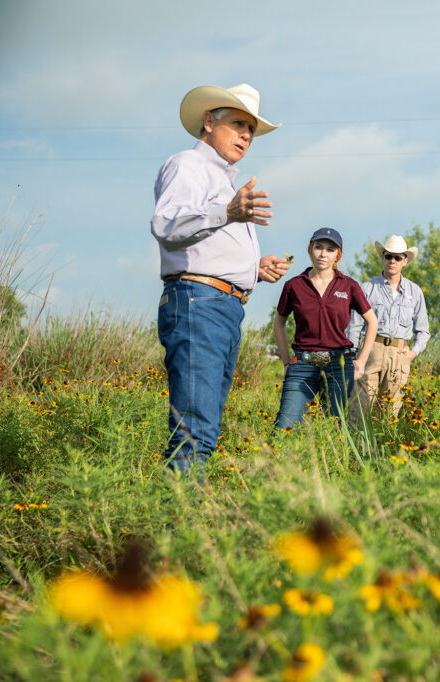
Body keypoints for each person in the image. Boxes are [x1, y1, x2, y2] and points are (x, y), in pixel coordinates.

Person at [152, 83, 289, 473]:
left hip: (220, 307)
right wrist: (227, 212)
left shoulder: (225, 182)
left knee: (203, 431)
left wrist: (253, 269)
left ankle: (180, 520)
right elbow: (167, 225)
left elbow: (205, 251)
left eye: (250, 129)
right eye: (238, 124)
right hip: (199, 304)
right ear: (209, 122)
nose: (246, 135)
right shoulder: (187, 166)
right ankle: (177, 527)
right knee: (195, 432)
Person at [272, 228, 378, 429]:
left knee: (333, 428)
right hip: (302, 365)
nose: (323, 254)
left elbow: (372, 322)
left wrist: (361, 361)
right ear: (310, 249)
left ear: (337, 254)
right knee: (284, 427)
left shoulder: (349, 286)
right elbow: (279, 321)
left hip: (339, 366)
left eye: (330, 249)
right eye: (318, 247)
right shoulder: (293, 286)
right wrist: (286, 361)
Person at [347, 235, 430, 417]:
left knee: (390, 411)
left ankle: (384, 445)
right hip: (371, 351)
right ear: (382, 258)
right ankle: (358, 445)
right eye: (388, 256)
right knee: (359, 406)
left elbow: (423, 330)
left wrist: (413, 353)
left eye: (397, 257)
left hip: (400, 353)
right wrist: (352, 356)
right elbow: (355, 325)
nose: (392, 260)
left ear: (405, 261)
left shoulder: (415, 292)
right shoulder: (367, 288)